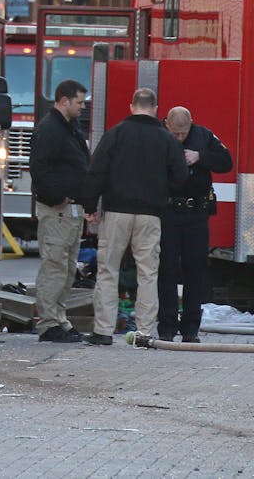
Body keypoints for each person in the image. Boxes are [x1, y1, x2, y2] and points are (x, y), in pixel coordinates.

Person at [79, 87, 186, 346]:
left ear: (131, 106)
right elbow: (180, 178)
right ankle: (145, 333)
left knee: (108, 270)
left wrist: (90, 206)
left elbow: (96, 172)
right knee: (148, 272)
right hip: (151, 215)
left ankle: (103, 331)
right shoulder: (167, 139)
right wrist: (162, 194)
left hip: (116, 211)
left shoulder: (114, 135)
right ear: (156, 109)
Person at [158, 106, 233, 343]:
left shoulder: (204, 136)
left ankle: (191, 328)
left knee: (195, 270)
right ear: (167, 124)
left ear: (191, 123)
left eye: (184, 132)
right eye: (176, 133)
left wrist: (200, 157)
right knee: (166, 270)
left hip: (196, 213)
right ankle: (167, 326)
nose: (180, 137)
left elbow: (226, 162)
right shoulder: (159, 136)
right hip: (168, 212)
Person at [28, 79, 91, 343]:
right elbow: (40, 168)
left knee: (66, 268)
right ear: (64, 101)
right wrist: (58, 197)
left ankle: (60, 318)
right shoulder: (50, 129)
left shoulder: (68, 127)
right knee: (54, 265)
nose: (82, 108)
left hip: (71, 210)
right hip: (58, 210)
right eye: (79, 102)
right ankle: (48, 323)